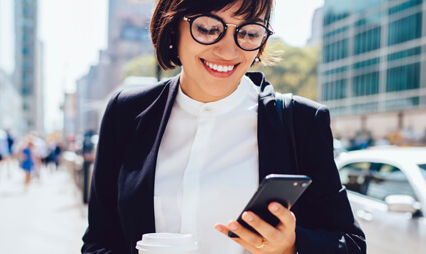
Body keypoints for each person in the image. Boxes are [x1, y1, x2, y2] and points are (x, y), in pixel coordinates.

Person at [82, 0, 366, 253]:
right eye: (207, 28)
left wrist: (291, 247)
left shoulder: (302, 121)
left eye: (249, 32)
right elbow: (98, 242)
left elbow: (350, 244)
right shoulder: (126, 112)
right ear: (173, 27)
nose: (229, 50)